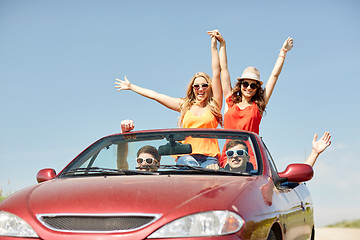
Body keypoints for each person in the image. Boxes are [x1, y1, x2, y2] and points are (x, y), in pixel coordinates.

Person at [115, 38, 224, 168]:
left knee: (211, 174)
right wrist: (131, 86)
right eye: (196, 86)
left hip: (209, 158)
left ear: (209, 88)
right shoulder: (185, 106)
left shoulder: (214, 105)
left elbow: (217, 73)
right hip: (186, 157)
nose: (200, 89)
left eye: (204, 85)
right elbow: (156, 96)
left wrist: (214, 46)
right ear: (192, 89)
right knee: (191, 166)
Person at [207, 30, 294, 167]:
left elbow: (274, 76)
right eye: (245, 84)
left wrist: (283, 52)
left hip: (251, 157)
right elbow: (223, 69)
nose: (248, 87)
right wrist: (222, 44)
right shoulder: (231, 101)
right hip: (229, 155)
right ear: (240, 85)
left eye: (253, 85)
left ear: (257, 89)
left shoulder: (258, 106)